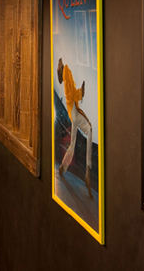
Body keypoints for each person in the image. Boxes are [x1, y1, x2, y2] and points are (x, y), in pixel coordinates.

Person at [56, 58, 94, 199]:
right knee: (89, 130)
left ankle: (63, 167)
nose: (61, 63)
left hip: (72, 110)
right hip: (74, 110)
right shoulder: (67, 71)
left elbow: (71, 93)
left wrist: (80, 91)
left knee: (72, 143)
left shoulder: (65, 74)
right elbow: (73, 94)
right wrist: (80, 92)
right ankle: (88, 169)